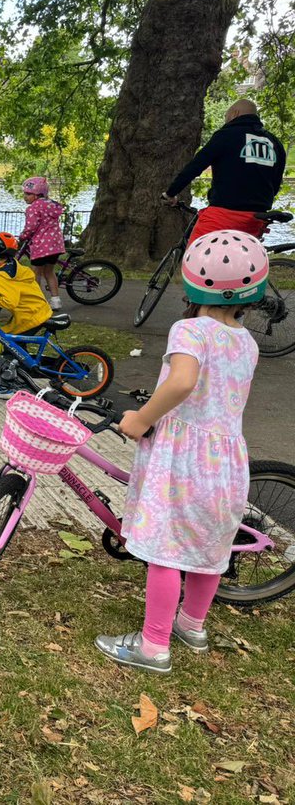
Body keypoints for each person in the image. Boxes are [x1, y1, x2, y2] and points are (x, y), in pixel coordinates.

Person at [95, 231, 265, 674]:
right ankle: (192, 625)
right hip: (227, 461)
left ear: (191, 282)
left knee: (166, 549)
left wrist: (141, 418)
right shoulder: (247, 341)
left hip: (184, 459)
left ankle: (153, 646)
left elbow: (183, 382)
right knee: (210, 546)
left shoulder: (190, 329)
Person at [163, 99, 287, 241]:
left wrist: (171, 193)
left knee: (195, 257)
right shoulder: (275, 143)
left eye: (226, 117)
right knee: (243, 258)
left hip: (223, 215)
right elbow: (276, 183)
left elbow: (195, 167)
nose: (225, 121)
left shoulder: (226, 135)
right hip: (257, 216)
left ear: (235, 113)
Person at [0, 231, 53, 398]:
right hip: (32, 313)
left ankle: (10, 387)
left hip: (31, 316)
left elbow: (9, 301)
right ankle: (20, 377)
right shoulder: (7, 268)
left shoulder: (2, 276)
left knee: (10, 346)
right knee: (15, 346)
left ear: (0, 259)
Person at [17, 176, 66, 310]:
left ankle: (36, 300)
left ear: (38, 195)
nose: (25, 197)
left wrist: (22, 236)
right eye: (25, 193)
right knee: (49, 272)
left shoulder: (33, 208)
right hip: (55, 245)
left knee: (36, 273)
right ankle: (56, 301)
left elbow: (30, 227)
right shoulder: (52, 205)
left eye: (28, 194)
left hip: (41, 246)